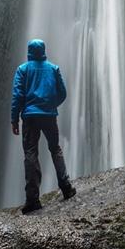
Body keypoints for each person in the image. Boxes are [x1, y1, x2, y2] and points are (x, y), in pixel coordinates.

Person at [11, 38, 76, 214]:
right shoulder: (53, 68)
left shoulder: (22, 70)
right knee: (55, 149)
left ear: (29, 51)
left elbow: (17, 96)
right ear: (44, 51)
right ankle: (66, 187)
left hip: (30, 117)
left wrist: (14, 119)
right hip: (49, 115)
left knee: (31, 153)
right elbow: (62, 93)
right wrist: (51, 104)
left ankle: (33, 199)